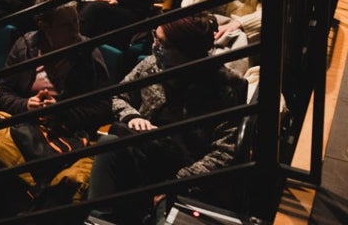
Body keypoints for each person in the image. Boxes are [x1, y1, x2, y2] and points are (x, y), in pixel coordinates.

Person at [87, 14, 247, 224]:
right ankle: (97, 220)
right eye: (155, 37)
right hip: (146, 153)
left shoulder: (225, 87)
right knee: (108, 145)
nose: (155, 47)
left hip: (185, 174)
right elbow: (118, 95)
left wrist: (177, 182)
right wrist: (131, 115)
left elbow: (225, 152)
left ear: (187, 51)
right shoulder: (152, 66)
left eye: (163, 43)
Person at [0, 0, 112, 225]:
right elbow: (3, 93)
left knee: (64, 183)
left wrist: (61, 112)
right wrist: (26, 105)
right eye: (66, 25)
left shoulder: (88, 53)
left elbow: (103, 108)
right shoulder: (25, 47)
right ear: (45, 26)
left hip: (64, 132)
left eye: (76, 22)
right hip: (24, 126)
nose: (75, 31)